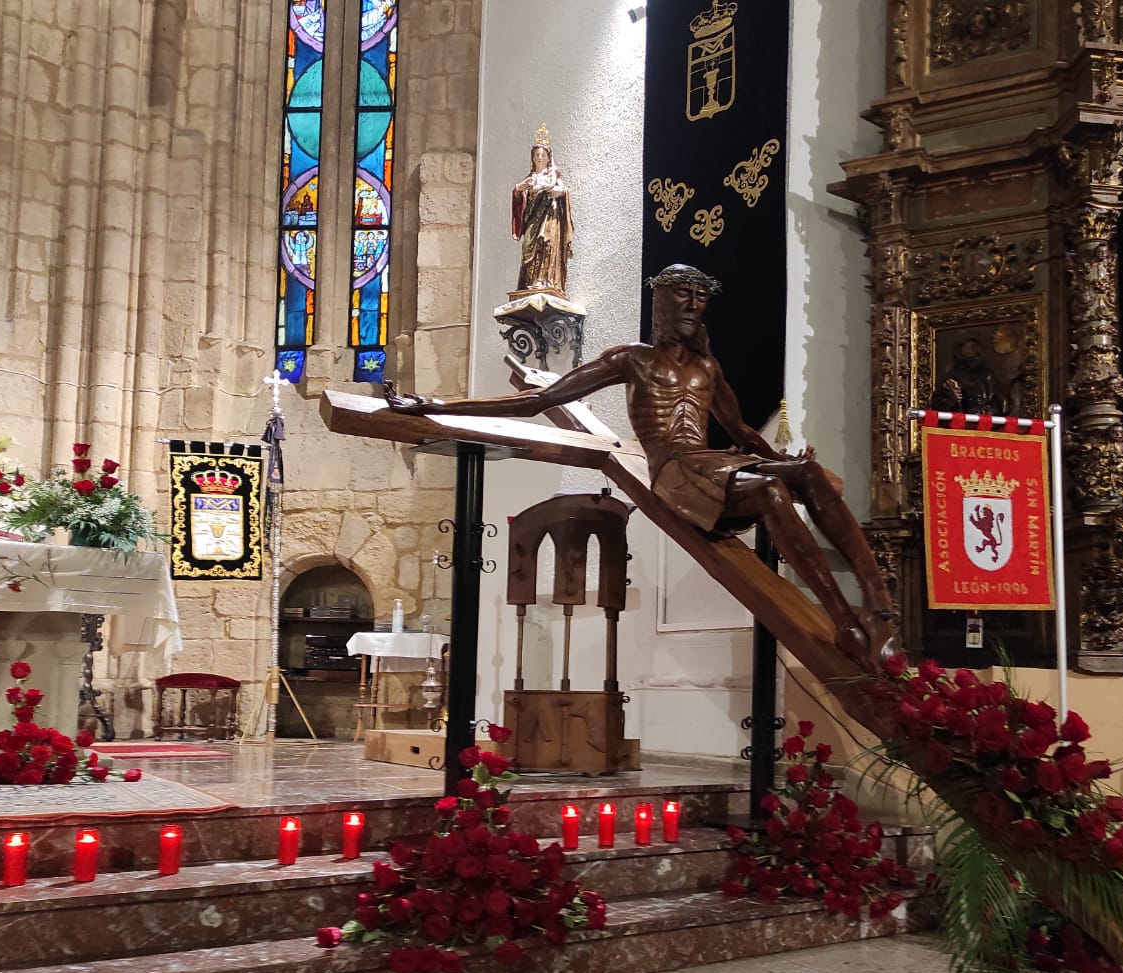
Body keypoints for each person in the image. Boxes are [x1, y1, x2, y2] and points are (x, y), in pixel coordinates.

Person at [391, 263, 895, 664]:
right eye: (684, 296)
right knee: (771, 493)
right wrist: (433, 405)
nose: (694, 306)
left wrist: (783, 460)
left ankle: (875, 598)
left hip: (714, 461)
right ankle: (842, 621)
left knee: (803, 474)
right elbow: (530, 404)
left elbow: (742, 433)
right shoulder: (630, 359)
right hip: (676, 474)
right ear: (659, 301)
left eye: (701, 298)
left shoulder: (707, 368)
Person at [511, 127, 574, 297]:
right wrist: (519, 189)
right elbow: (519, 195)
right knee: (529, 246)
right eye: (536, 155)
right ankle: (529, 281)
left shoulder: (553, 177)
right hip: (533, 217)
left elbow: (562, 191)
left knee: (545, 242)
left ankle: (544, 280)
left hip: (549, 217)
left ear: (548, 158)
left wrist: (560, 192)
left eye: (542, 155)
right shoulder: (530, 178)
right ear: (532, 158)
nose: (539, 157)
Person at [932, 336, 1001, 414]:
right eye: (969, 349)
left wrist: (989, 410)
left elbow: (998, 402)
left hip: (987, 420)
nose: (972, 352)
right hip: (963, 420)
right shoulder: (954, 375)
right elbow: (940, 404)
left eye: (976, 351)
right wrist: (952, 400)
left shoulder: (989, 375)